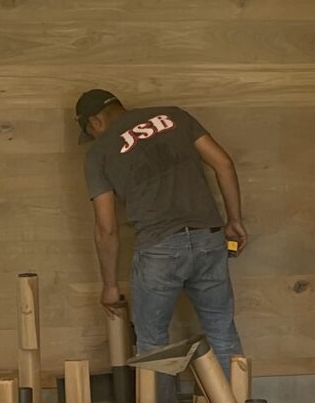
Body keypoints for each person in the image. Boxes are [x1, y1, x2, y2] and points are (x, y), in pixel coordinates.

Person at [76, 88, 247, 370]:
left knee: (153, 345)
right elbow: (224, 164)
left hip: (159, 250)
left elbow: (106, 227)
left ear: (94, 122)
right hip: (209, 239)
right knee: (222, 331)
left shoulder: (99, 152)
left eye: (90, 131)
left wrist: (109, 285)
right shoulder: (174, 116)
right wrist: (234, 219)